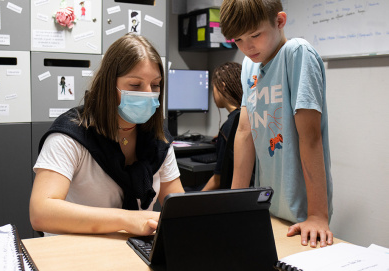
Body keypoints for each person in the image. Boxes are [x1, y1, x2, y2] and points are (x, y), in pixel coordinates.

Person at [29, 33, 184, 236]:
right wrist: (126, 219)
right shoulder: (71, 135)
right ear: (108, 86)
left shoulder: (159, 139)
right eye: (135, 85)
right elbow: (41, 212)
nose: (148, 93)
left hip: (131, 250)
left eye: (155, 85)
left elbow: (178, 206)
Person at [220, 0, 333, 248]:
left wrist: (317, 215)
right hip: (266, 206)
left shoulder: (297, 53)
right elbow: (244, 131)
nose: (246, 46)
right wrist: (235, 203)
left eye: (255, 35)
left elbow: (310, 136)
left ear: (279, 22)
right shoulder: (249, 65)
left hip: (303, 213)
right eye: (237, 40)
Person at [202, 62, 245, 191]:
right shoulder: (245, 119)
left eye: (213, 88)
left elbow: (217, 181)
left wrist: (188, 205)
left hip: (227, 193)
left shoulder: (228, 127)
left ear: (222, 86)